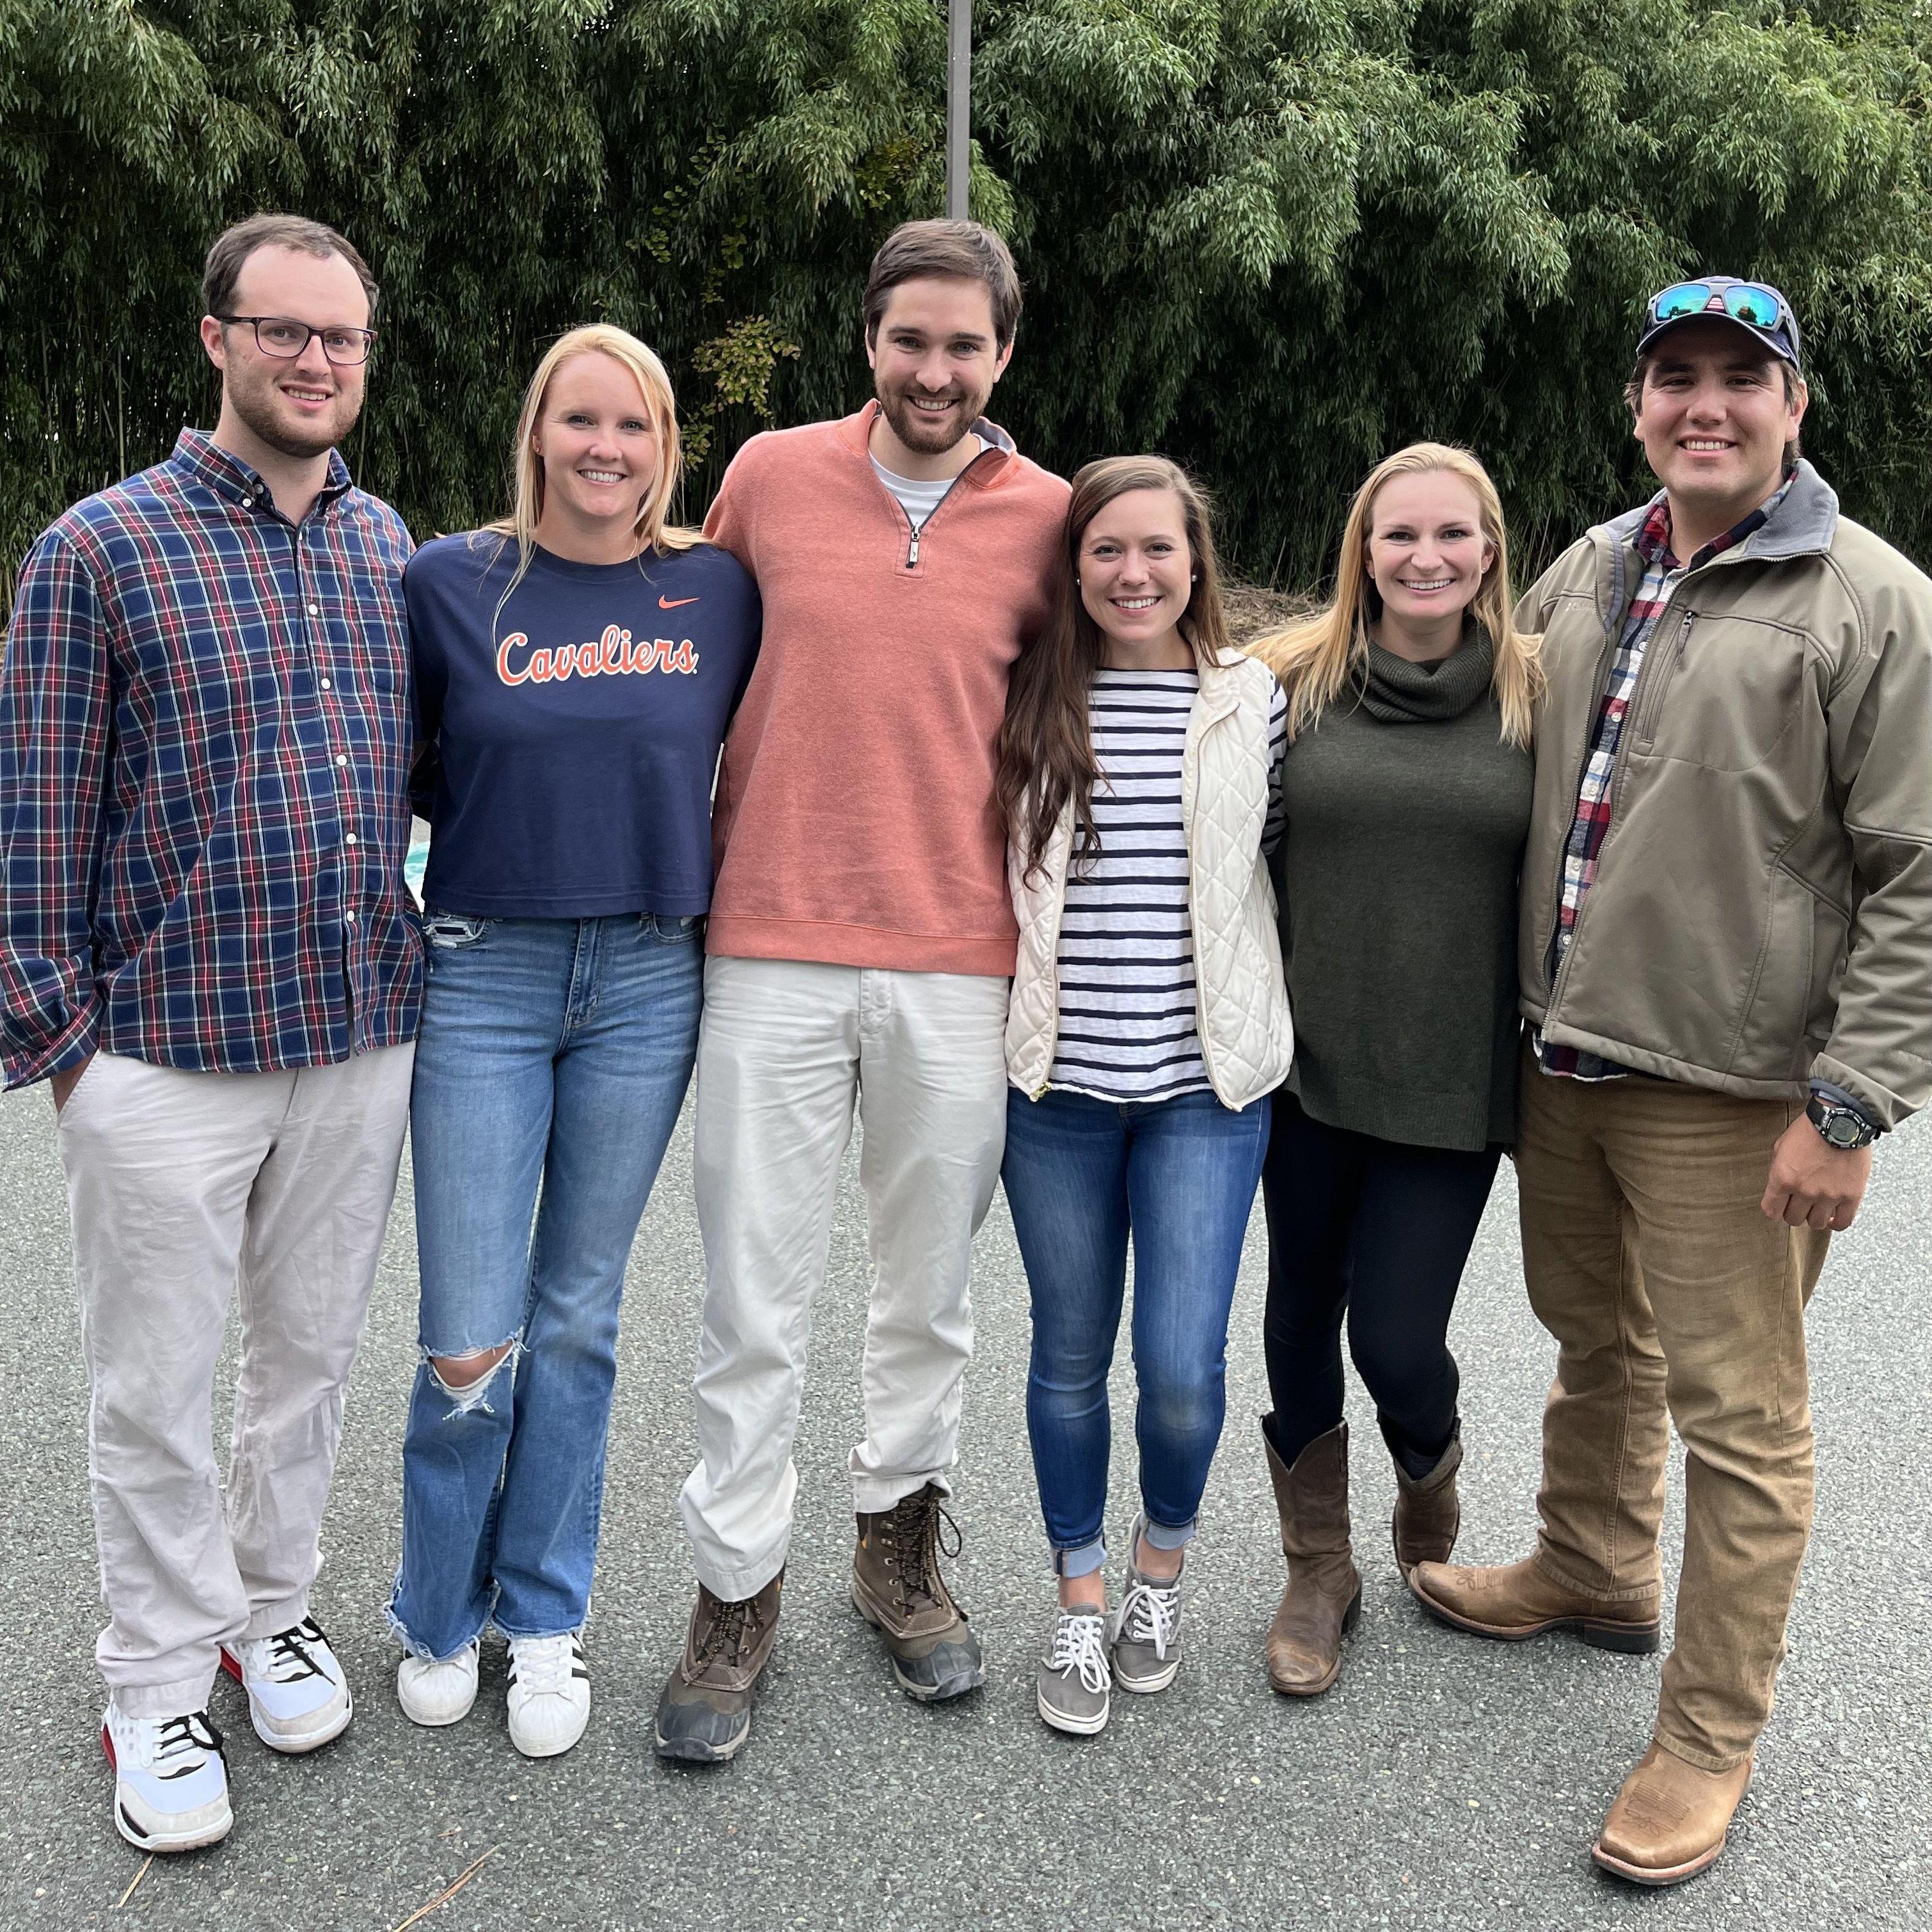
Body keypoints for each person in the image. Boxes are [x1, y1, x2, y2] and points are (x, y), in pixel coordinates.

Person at [1409, 278, 1932, 1885]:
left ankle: (1707, 1731)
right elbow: (1458, 687)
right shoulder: (1597, 561)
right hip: (1563, 1054)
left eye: (1737, 379)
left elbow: (1915, 870)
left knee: (1744, 1420)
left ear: (1792, 405)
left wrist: (1850, 1101)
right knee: (1592, 1337)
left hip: (1734, 1088)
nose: (1702, 404)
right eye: (1673, 378)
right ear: (1639, 402)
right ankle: (1591, 1562)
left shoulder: (1870, 600)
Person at [0, 214, 418, 1852]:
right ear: (216, 339)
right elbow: (32, 819)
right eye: (285, 330)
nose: (316, 360)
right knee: (160, 1386)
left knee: (306, 1365)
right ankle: (155, 1677)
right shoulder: (99, 548)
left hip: (354, 1030)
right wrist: (66, 1051)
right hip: (161, 1054)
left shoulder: (395, 548)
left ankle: (269, 1607)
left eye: (342, 337)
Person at [653, 219, 1070, 1763]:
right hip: (767, 941)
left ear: (1003, 356)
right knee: (751, 1295)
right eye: (911, 340)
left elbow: (1136, 670)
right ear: (869, 341)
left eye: (965, 346)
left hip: (959, 956)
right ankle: (732, 1585)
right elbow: (680, 664)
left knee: (928, 1295)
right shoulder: (766, 476)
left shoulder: (1049, 515)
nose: (935, 370)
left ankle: (895, 1549)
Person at [385, 326, 759, 1757]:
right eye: (579, 420)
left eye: (636, 426)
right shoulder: (448, 581)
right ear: (537, 429)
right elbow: (399, 764)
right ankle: (434, 1607)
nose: (606, 449)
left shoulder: (715, 589)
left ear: (668, 447)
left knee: (579, 1317)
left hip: (652, 972)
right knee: (471, 1333)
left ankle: (544, 1614)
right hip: (483, 967)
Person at [997, 457, 1290, 1736]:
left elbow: (1270, 866)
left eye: (1156, 550)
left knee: (1177, 1367)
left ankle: (1157, 1575)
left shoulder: (1251, 699)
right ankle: (1076, 1592)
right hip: (1052, 1091)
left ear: (1195, 560)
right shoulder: (1024, 696)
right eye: (1105, 550)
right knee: (1067, 1357)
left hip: (1202, 1094)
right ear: (1073, 567)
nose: (1132, 573)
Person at [1245, 445, 1539, 1697]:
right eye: (1397, 534)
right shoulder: (1285, 682)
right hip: (1303, 1071)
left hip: (1449, 1078)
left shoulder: (1542, 694)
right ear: (1361, 546)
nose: (1425, 558)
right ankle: (1319, 1566)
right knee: (1299, 1312)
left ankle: (1429, 1464)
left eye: (1452, 535)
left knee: (1400, 1340)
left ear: (1489, 551)